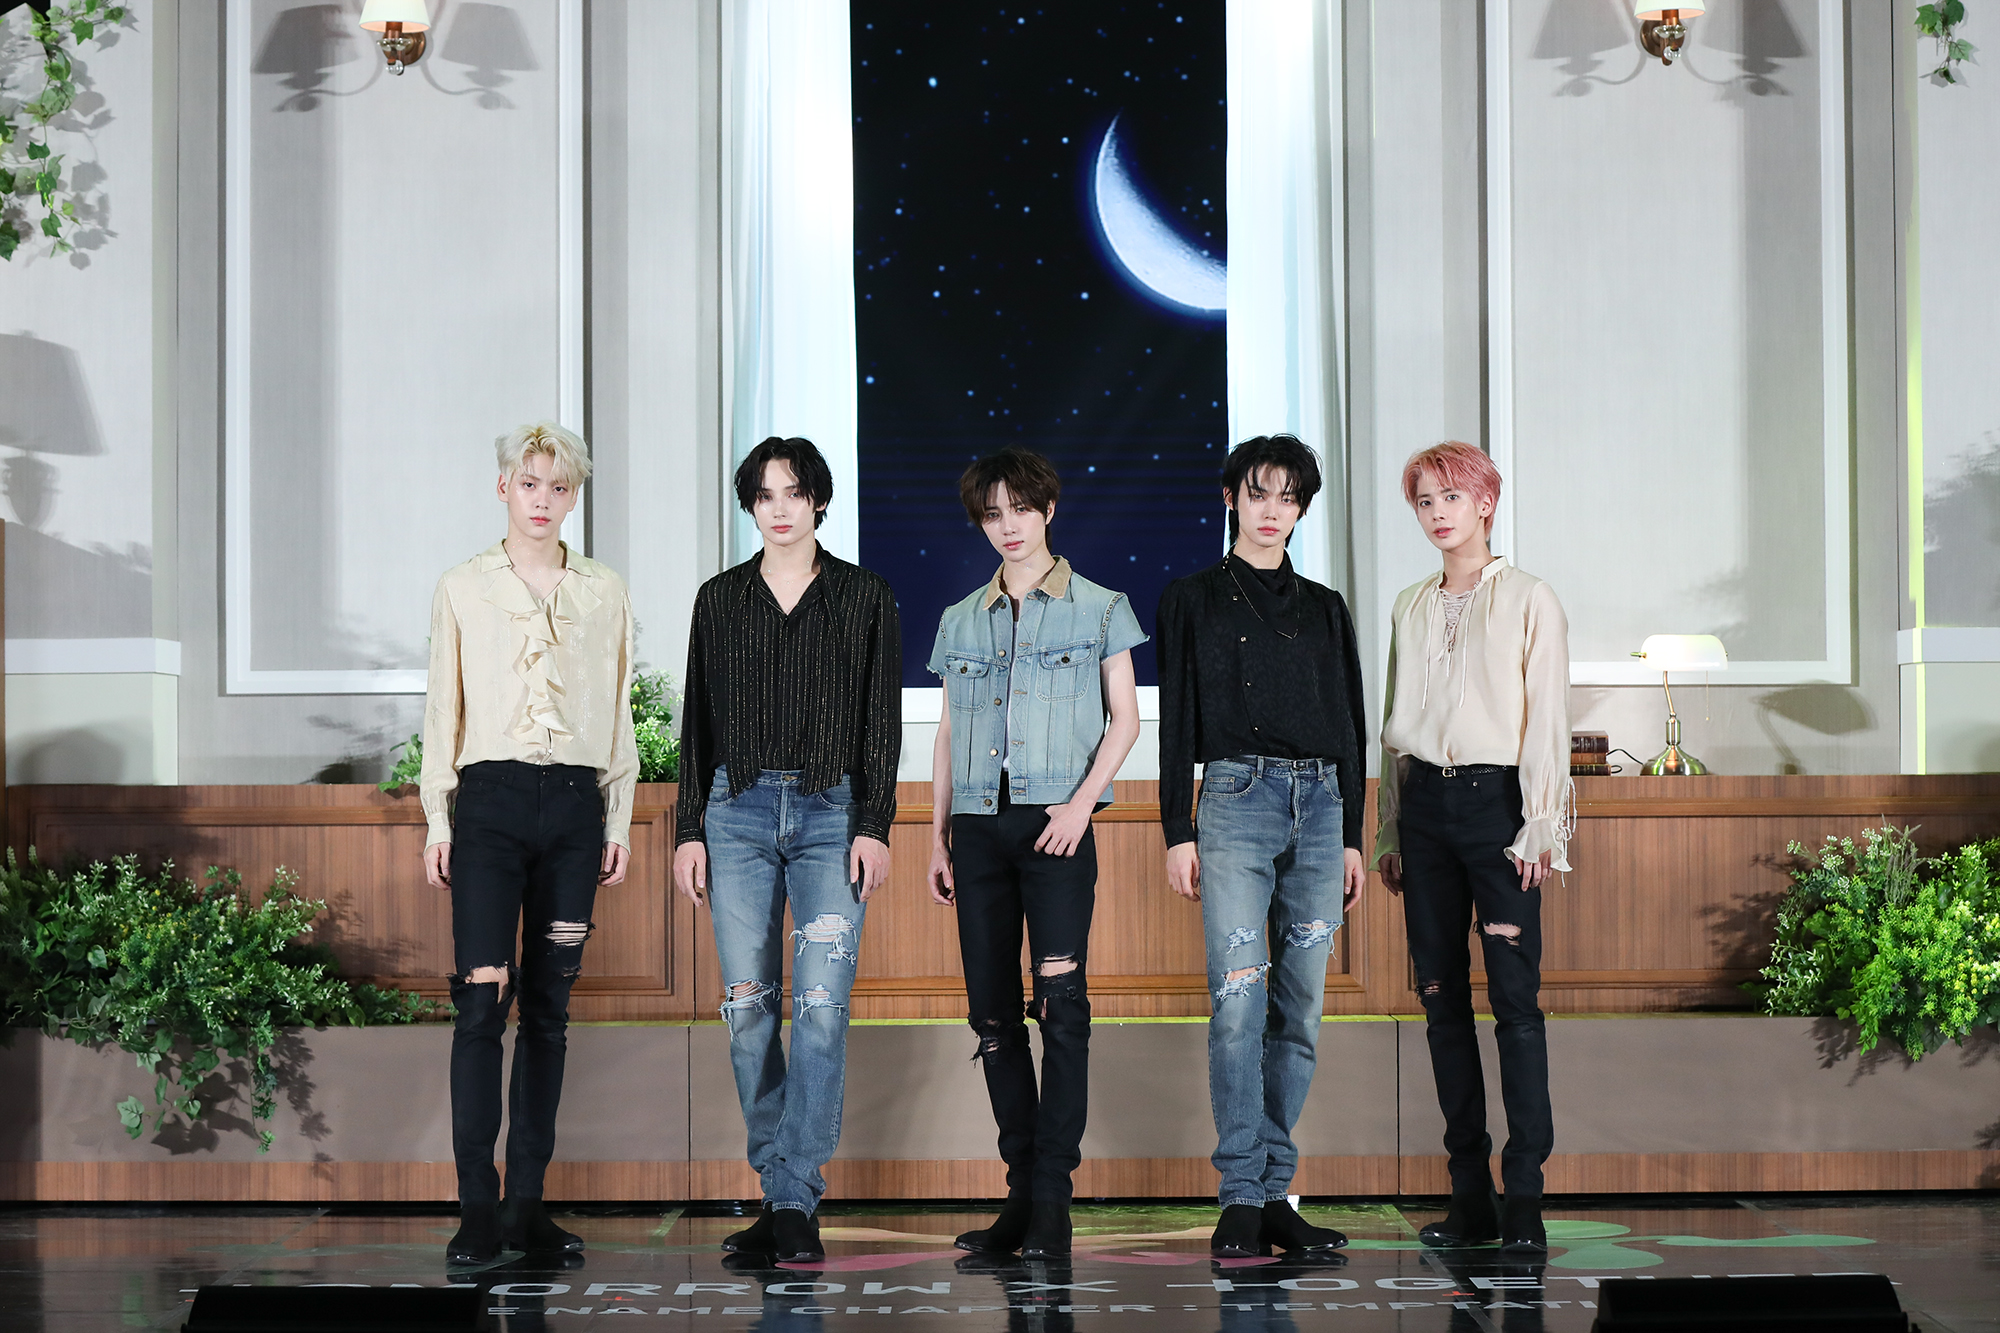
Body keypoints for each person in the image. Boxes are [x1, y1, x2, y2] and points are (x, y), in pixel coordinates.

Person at [673, 436, 902, 1264]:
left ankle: (795, 1197)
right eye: (765, 494)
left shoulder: (864, 595)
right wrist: (688, 829)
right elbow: (696, 723)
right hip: (734, 812)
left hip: (831, 812)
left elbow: (880, 720)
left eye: (794, 492)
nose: (780, 508)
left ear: (818, 502)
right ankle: (780, 1193)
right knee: (746, 1008)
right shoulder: (718, 599)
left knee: (820, 1009)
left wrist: (875, 823)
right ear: (751, 504)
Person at [420, 421, 638, 1266]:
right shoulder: (461, 587)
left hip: (576, 807)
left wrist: (616, 818)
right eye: (529, 483)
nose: (543, 500)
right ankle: (477, 1207)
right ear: (503, 487)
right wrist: (439, 818)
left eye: (559, 486)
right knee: (482, 1002)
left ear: (574, 495)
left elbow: (616, 711)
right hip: (489, 804)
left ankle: (526, 1206)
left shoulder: (604, 590)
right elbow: (443, 708)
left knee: (550, 1011)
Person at [925, 448, 1145, 1258]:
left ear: (1048, 509)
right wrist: (937, 834)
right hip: (977, 829)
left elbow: (1125, 718)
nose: (1007, 525)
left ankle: (1053, 1197)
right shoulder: (959, 617)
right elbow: (949, 731)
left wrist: (1083, 805)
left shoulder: (1101, 606)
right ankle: (1020, 1194)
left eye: (1020, 508)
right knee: (991, 1015)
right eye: (992, 513)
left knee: (1061, 1009)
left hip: (1057, 825)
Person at [1156, 434, 1368, 1258]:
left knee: (1301, 1006)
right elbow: (1176, 723)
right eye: (1258, 493)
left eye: (1288, 497)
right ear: (1231, 498)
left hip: (1320, 805)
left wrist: (1351, 836)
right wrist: (1177, 829)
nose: (1272, 510)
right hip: (1233, 803)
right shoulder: (1192, 598)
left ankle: (1277, 1189)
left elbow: (1350, 725)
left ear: (1302, 508)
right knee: (1239, 999)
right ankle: (1241, 1192)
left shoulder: (1326, 607)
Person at [1375, 441, 1571, 1255]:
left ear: (1486, 502)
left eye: (1452, 496)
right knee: (1439, 1000)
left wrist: (1540, 822)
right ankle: (1469, 1195)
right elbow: (1392, 722)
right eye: (1425, 500)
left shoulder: (1530, 598)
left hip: (1498, 811)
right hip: (1423, 810)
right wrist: (1388, 826)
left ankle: (1523, 1196)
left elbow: (1547, 718)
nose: (1438, 513)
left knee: (1515, 1004)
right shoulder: (1409, 604)